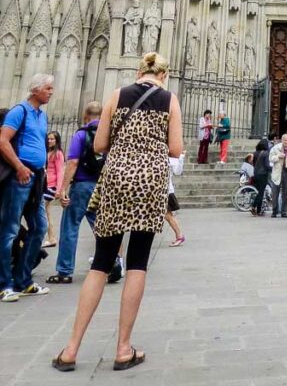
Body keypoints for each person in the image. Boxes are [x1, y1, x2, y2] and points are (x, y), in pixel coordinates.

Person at [51, 51, 182, 372]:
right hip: (150, 182)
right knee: (137, 262)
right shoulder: (169, 100)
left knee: (100, 262)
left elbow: (97, 145)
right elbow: (176, 149)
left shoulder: (116, 95)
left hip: (116, 179)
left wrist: (125, 148)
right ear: (163, 75)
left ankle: (70, 349)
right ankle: (123, 348)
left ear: (139, 71)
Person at [0, 73, 55, 302]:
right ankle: (5, 284)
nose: (51, 92)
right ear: (36, 90)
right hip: (20, 177)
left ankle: (23, 280)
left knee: (39, 228)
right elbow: (3, 141)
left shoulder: (41, 116)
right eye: (49, 89)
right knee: (9, 230)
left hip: (36, 177)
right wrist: (19, 167)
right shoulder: (18, 111)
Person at [47, 102, 105, 285]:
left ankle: (64, 271)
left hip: (81, 186)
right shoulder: (108, 136)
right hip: (101, 186)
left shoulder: (81, 134)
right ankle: (109, 267)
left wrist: (63, 188)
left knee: (70, 227)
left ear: (85, 116)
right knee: (103, 228)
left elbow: (72, 163)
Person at [43, 130, 65, 248]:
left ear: (57, 141)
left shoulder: (58, 154)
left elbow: (61, 171)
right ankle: (51, 238)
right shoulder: (47, 152)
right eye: (49, 138)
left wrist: (59, 190)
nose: (50, 141)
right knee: (46, 212)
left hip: (51, 186)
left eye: (52, 139)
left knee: (42, 211)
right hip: (44, 184)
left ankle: (50, 237)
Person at [269, 134, 287, 218]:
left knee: (286, 193)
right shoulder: (275, 148)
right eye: (285, 140)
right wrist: (278, 156)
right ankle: (274, 211)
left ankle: (284, 211)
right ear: (282, 140)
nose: (286, 142)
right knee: (275, 193)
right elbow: (270, 158)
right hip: (278, 172)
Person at [165, 153, 185, 246]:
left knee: (168, 215)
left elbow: (177, 172)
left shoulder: (170, 159)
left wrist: (181, 158)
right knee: (167, 215)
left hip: (166, 190)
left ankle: (179, 235)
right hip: (163, 190)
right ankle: (179, 235)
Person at [249, 139, 271, 217]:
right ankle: (254, 206)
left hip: (256, 173)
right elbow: (267, 165)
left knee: (259, 192)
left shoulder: (255, 153)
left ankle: (258, 210)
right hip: (263, 174)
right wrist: (272, 169)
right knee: (261, 192)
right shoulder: (265, 153)